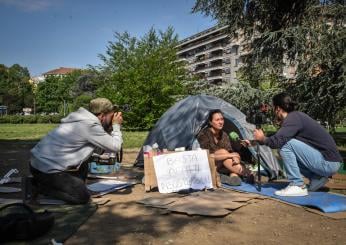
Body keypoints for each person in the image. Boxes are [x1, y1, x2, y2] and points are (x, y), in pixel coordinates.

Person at [30, 98, 123, 204]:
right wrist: (116, 126)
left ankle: (66, 185)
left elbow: (100, 149)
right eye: (111, 116)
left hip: (39, 164)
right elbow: (115, 147)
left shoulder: (81, 120)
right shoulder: (90, 125)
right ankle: (40, 188)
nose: (113, 119)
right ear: (102, 116)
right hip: (46, 169)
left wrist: (109, 128)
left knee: (85, 160)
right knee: (82, 197)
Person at [252, 92, 342, 196]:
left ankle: (297, 184)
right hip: (330, 161)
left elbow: (278, 141)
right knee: (286, 145)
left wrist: (263, 138)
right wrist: (254, 142)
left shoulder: (293, 119)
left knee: (284, 145)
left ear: (278, 108)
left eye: (273, 108)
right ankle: (317, 178)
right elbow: (277, 137)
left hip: (328, 163)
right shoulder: (296, 117)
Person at [197, 109, 251, 186]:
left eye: (222, 119)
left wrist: (236, 158)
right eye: (217, 120)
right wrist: (230, 155)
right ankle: (248, 174)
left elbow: (231, 152)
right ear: (210, 122)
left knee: (233, 169)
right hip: (210, 165)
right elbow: (208, 156)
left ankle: (228, 177)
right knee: (223, 152)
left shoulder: (224, 135)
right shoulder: (204, 134)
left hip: (223, 165)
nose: (221, 122)